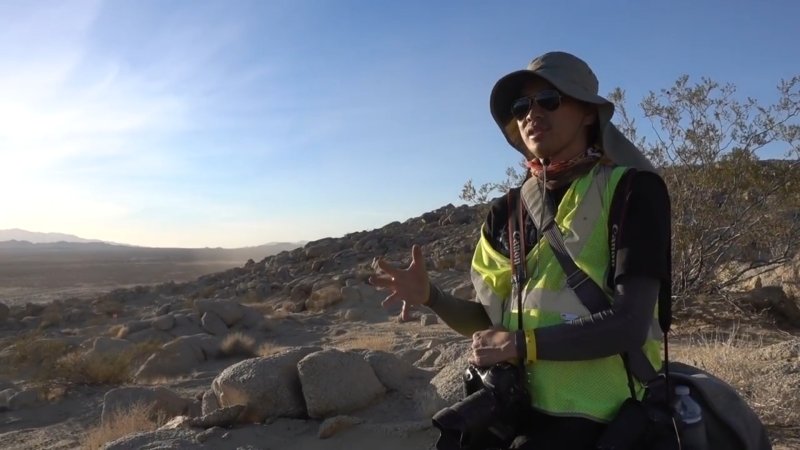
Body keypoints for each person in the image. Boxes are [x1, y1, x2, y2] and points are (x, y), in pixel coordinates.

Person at [369, 51, 672, 450]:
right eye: (521, 107)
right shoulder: (506, 212)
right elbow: (492, 322)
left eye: (549, 99)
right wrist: (432, 297)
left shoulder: (632, 191)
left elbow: (630, 324)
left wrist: (519, 345)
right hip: (514, 407)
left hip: (602, 415)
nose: (532, 114)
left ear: (588, 113)